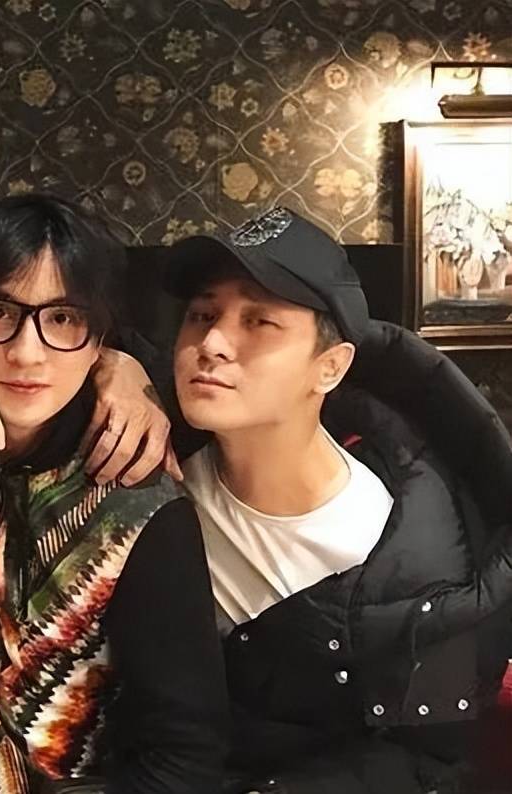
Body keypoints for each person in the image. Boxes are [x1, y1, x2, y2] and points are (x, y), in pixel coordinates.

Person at [166, 207, 512, 793]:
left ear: (329, 367)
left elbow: (428, 758)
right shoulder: (147, 475)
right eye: (202, 315)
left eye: (259, 321)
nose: (212, 343)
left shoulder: (410, 553)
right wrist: (114, 371)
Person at [0, 194, 228, 794]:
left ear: (99, 342)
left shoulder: (136, 499)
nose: (27, 351)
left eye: (63, 318)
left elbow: (186, 756)